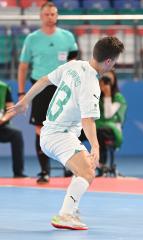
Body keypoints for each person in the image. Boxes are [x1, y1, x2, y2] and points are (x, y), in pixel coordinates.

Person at [10, 36, 124, 230]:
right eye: (114, 62)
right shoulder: (91, 84)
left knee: (82, 167)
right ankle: (65, 214)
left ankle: (72, 208)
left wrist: (25, 101)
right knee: (88, 171)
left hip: (51, 132)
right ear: (108, 61)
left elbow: (44, 80)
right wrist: (95, 146)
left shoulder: (73, 65)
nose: (113, 66)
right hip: (59, 136)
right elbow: (87, 120)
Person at [17, 2, 79, 183]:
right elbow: (23, 67)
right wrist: (22, 93)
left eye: (53, 14)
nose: (50, 17)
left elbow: (73, 63)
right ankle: (44, 171)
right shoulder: (32, 39)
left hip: (63, 88)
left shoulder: (67, 37)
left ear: (57, 16)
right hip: (40, 87)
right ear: (41, 16)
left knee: (66, 127)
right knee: (40, 129)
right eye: (47, 14)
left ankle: (69, 167)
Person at [0, 80, 26, 178]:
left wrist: (3, 119)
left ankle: (18, 173)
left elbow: (11, 109)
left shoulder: (3, 87)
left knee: (16, 134)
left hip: (1, 126)